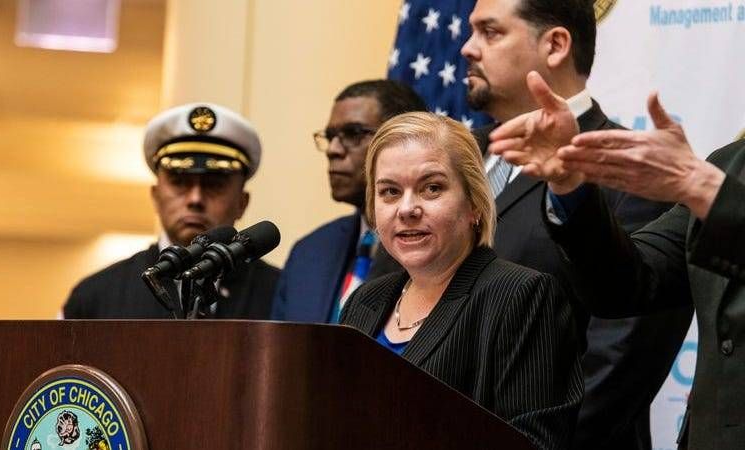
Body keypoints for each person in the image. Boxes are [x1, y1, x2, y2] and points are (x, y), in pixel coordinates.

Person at [460, 0, 693, 447]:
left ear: (555, 45)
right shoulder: (451, 162)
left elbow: (620, 359)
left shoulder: (631, 167)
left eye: (490, 32)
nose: (467, 48)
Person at [489, 74, 745, 449]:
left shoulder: (710, 180)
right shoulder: (730, 162)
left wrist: (706, 191)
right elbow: (630, 282)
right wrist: (571, 187)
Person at [339, 112, 582, 449]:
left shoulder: (520, 296)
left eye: (431, 188)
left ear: (474, 205)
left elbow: (533, 443)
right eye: (390, 192)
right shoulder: (364, 301)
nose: (407, 209)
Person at [63, 103, 279, 319]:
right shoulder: (96, 296)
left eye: (214, 185)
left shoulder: (279, 293)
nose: (195, 199)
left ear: (242, 202)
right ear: (156, 196)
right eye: (179, 182)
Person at [271, 80, 427, 322]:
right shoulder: (308, 253)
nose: (333, 150)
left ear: (405, 140)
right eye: (330, 136)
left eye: (354, 133)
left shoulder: (433, 248)